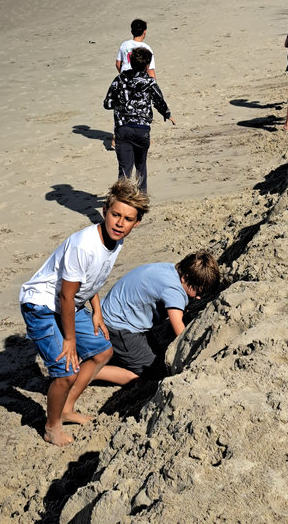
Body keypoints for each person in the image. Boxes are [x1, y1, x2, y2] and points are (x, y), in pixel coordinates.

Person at [18, 177, 149, 447]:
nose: (119, 223)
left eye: (127, 219)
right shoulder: (84, 245)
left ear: (136, 223)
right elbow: (66, 295)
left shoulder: (116, 241)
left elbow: (92, 280)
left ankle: (67, 407)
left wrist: (97, 311)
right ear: (104, 211)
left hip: (71, 303)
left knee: (103, 352)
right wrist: (70, 339)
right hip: (41, 305)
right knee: (66, 371)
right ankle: (52, 426)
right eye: (115, 215)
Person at [97, 251, 221, 385]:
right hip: (118, 325)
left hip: (114, 310)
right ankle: (91, 371)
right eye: (197, 291)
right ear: (185, 278)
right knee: (153, 375)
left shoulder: (172, 270)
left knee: (157, 359)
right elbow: (181, 334)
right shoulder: (174, 291)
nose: (198, 297)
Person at [104, 48, 175, 192]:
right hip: (142, 129)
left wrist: (122, 103)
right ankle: (141, 198)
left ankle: (121, 199)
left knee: (124, 170)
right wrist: (167, 114)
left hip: (122, 128)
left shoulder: (119, 79)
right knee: (141, 166)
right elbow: (159, 100)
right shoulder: (149, 82)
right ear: (147, 65)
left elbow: (107, 104)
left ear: (129, 62)